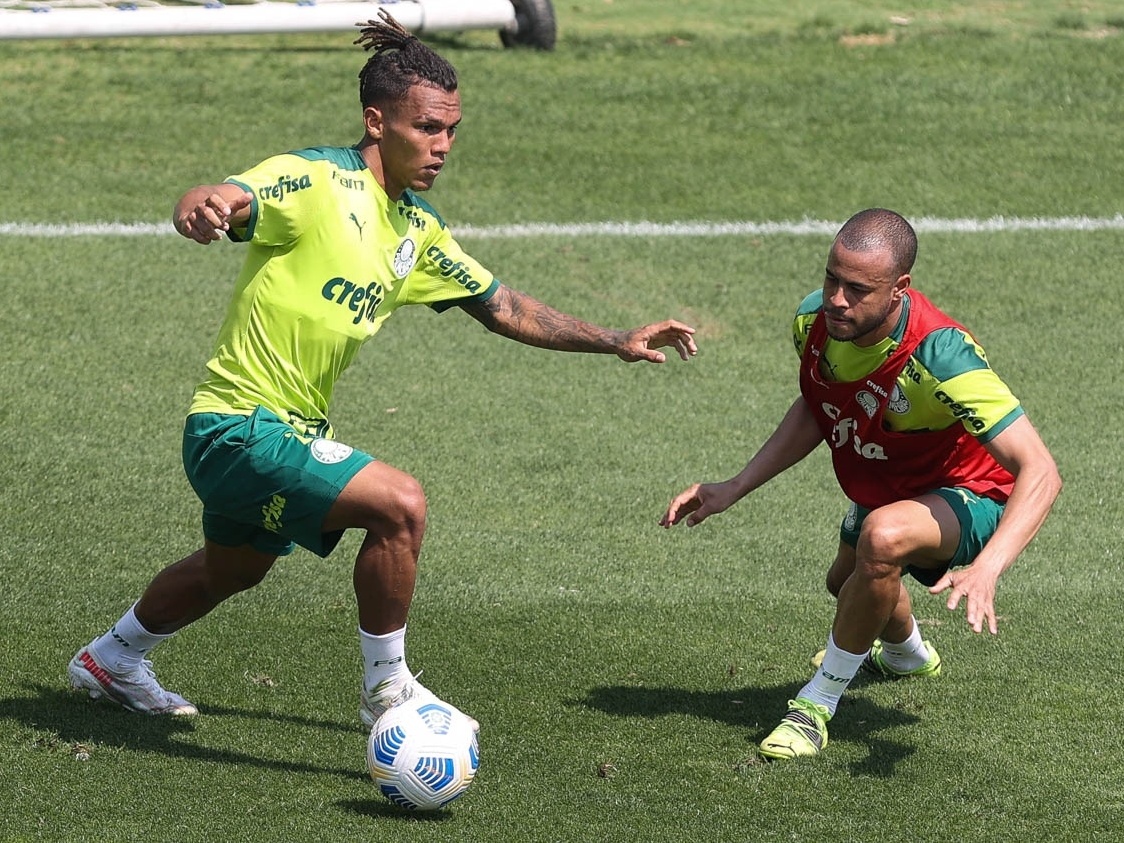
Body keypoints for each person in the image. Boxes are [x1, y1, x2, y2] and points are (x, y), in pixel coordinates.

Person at [68, 11, 697, 728]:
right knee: (401, 504)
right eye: (427, 127)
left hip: (287, 429)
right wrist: (200, 207)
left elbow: (503, 305)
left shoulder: (415, 229)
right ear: (376, 121)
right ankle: (388, 693)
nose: (444, 145)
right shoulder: (315, 181)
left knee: (233, 569)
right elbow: (229, 197)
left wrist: (614, 338)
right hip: (235, 425)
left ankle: (111, 657)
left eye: (452, 129)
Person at [660, 208, 1060, 760]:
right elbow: (817, 407)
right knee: (849, 588)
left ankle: (815, 707)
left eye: (857, 289)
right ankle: (907, 654)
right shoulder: (814, 323)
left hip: (972, 492)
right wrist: (734, 486)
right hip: (893, 481)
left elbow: (1041, 470)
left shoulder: (942, 355)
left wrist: (989, 566)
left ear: (900, 289)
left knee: (882, 538)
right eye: (831, 278)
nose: (837, 299)